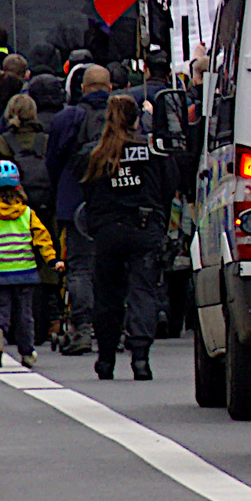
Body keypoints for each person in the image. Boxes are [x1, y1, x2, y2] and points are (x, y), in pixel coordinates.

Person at [79, 95, 180, 381]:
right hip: (144, 226)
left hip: (108, 231)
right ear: (137, 119)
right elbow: (169, 186)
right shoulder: (152, 152)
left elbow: (86, 193)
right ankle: (140, 359)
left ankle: (106, 359)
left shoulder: (94, 153)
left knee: (107, 295)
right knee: (143, 292)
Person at [45, 64, 113, 356]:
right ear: (109, 87)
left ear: (82, 88)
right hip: (116, 199)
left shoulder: (67, 118)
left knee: (79, 267)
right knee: (112, 267)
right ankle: (113, 327)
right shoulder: (120, 115)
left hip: (75, 200)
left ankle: (83, 327)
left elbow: (53, 160)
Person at [0, 160, 62, 368]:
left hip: (0, 272)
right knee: (25, 314)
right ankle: (27, 352)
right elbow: (42, 237)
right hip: (25, 271)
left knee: (1, 308)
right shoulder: (27, 214)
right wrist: (52, 259)